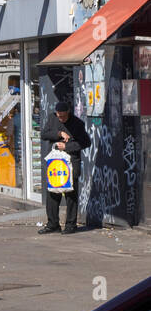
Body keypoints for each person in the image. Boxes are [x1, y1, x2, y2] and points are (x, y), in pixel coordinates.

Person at [39, 100, 90, 233]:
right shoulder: (52, 118)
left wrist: (67, 147)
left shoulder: (78, 124)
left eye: (63, 116)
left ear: (68, 113)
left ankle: (71, 224)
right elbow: (44, 134)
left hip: (71, 162)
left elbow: (85, 142)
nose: (60, 118)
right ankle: (53, 224)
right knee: (52, 193)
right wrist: (58, 133)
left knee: (71, 194)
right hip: (55, 162)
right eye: (58, 116)